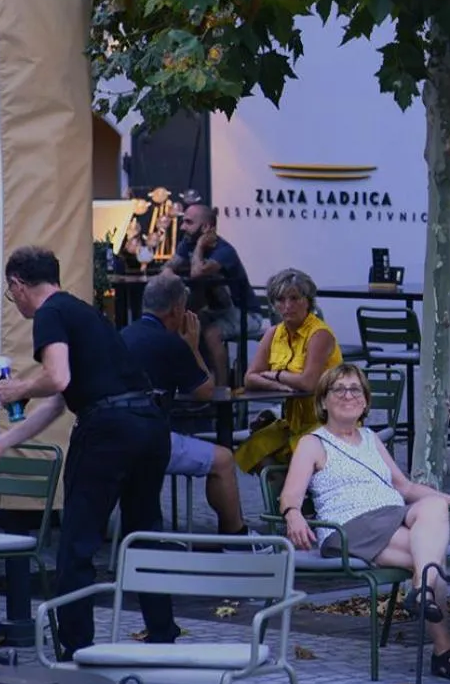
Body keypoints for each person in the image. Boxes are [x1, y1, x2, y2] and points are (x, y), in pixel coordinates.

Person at [0, 246, 177, 658]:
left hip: (107, 433)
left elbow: (56, 377)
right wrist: (2, 443)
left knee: (78, 541)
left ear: (17, 285)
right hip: (150, 425)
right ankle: (162, 633)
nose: (17, 303)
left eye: (13, 295)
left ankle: (76, 645)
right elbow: (61, 399)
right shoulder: (87, 314)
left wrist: (19, 388)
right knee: (144, 532)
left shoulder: (50, 314)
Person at [278, 365, 450, 680]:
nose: (348, 395)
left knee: (434, 508)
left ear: (365, 401)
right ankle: (444, 650)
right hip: (349, 526)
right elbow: (290, 494)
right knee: (432, 561)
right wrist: (293, 515)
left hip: (390, 516)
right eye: (339, 389)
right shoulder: (313, 443)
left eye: (355, 389)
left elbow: (406, 488)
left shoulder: (371, 438)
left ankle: (424, 597)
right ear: (324, 401)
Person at [121, 270, 254, 541]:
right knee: (224, 459)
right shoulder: (171, 343)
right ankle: (236, 539)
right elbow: (207, 391)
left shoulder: (122, 334)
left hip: (118, 439)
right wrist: (192, 347)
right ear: (177, 308)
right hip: (152, 442)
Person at [234, 268, 343, 473]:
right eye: (280, 300)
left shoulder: (319, 334)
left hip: (327, 420)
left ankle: (297, 494)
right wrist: (280, 385)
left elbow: (308, 383)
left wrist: (275, 374)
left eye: (294, 298)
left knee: (299, 453)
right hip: (292, 421)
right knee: (252, 450)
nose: (287, 306)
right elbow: (249, 378)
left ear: (308, 301)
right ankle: (283, 497)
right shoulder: (273, 333)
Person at [170, 203, 254, 392]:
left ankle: (222, 390)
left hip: (244, 313)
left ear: (207, 227)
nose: (182, 227)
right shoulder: (187, 243)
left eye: (188, 222)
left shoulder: (225, 251)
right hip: (217, 312)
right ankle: (193, 384)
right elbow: (168, 267)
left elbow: (197, 272)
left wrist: (200, 246)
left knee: (210, 333)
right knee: (185, 324)